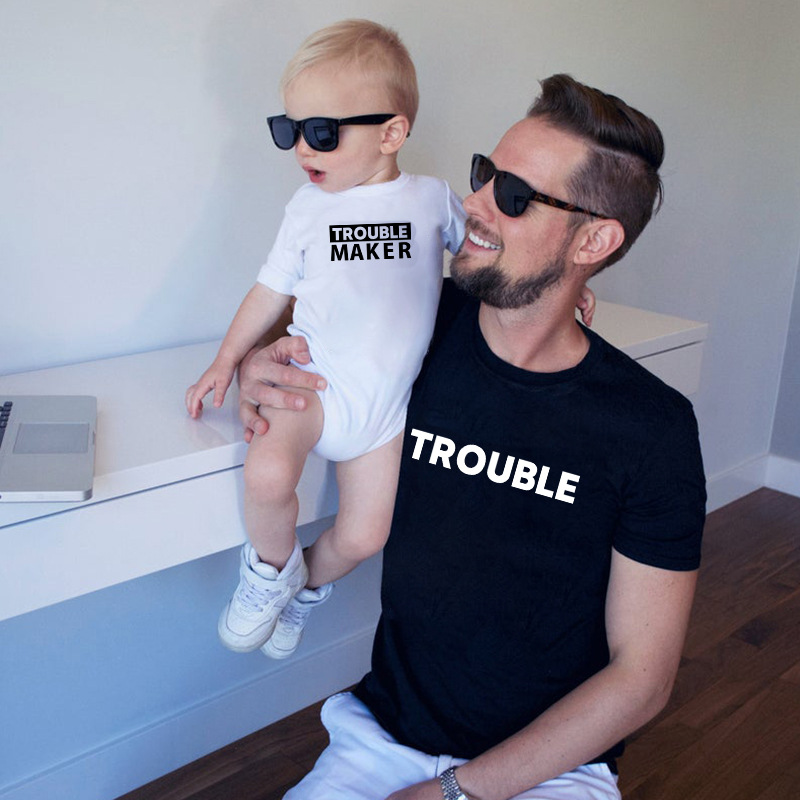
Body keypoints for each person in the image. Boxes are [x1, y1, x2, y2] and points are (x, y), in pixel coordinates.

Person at [238, 74, 706, 800]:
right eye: (485, 173)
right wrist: (256, 364)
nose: (475, 203)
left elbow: (641, 680)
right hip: (382, 735)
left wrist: (457, 792)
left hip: (551, 767)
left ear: (595, 239)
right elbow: (308, 312)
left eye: (514, 195)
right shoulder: (412, 333)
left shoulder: (652, 428)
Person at [185, 20, 466, 659]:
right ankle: (268, 573)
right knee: (267, 475)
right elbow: (268, 291)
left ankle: (302, 588)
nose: (300, 150)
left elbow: (486, 255)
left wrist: (568, 285)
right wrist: (226, 360)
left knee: (366, 536)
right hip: (312, 385)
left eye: (320, 133)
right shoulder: (307, 209)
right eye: (289, 130)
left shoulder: (431, 200)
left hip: (383, 412)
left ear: (391, 133)